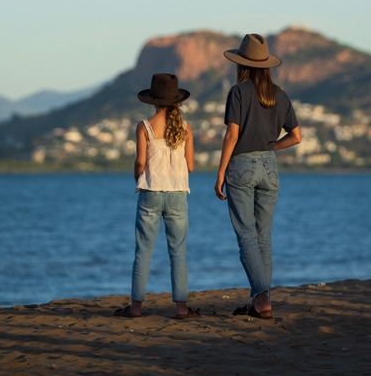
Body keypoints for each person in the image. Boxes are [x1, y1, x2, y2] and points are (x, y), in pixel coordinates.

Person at [214, 33, 302, 319]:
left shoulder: (238, 92)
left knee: (246, 236)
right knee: (264, 236)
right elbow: (297, 137)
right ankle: (261, 299)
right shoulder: (280, 95)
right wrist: (271, 147)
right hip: (269, 166)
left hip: (241, 165)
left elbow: (232, 134)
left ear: (243, 64)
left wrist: (220, 172)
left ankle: (261, 299)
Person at [114, 73, 198, 319]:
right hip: (177, 194)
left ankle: (136, 307)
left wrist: (137, 176)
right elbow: (190, 166)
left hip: (150, 192)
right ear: (177, 101)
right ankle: (181, 308)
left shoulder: (145, 127)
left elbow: (140, 162)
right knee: (178, 252)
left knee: (143, 252)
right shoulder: (185, 128)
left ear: (153, 100)